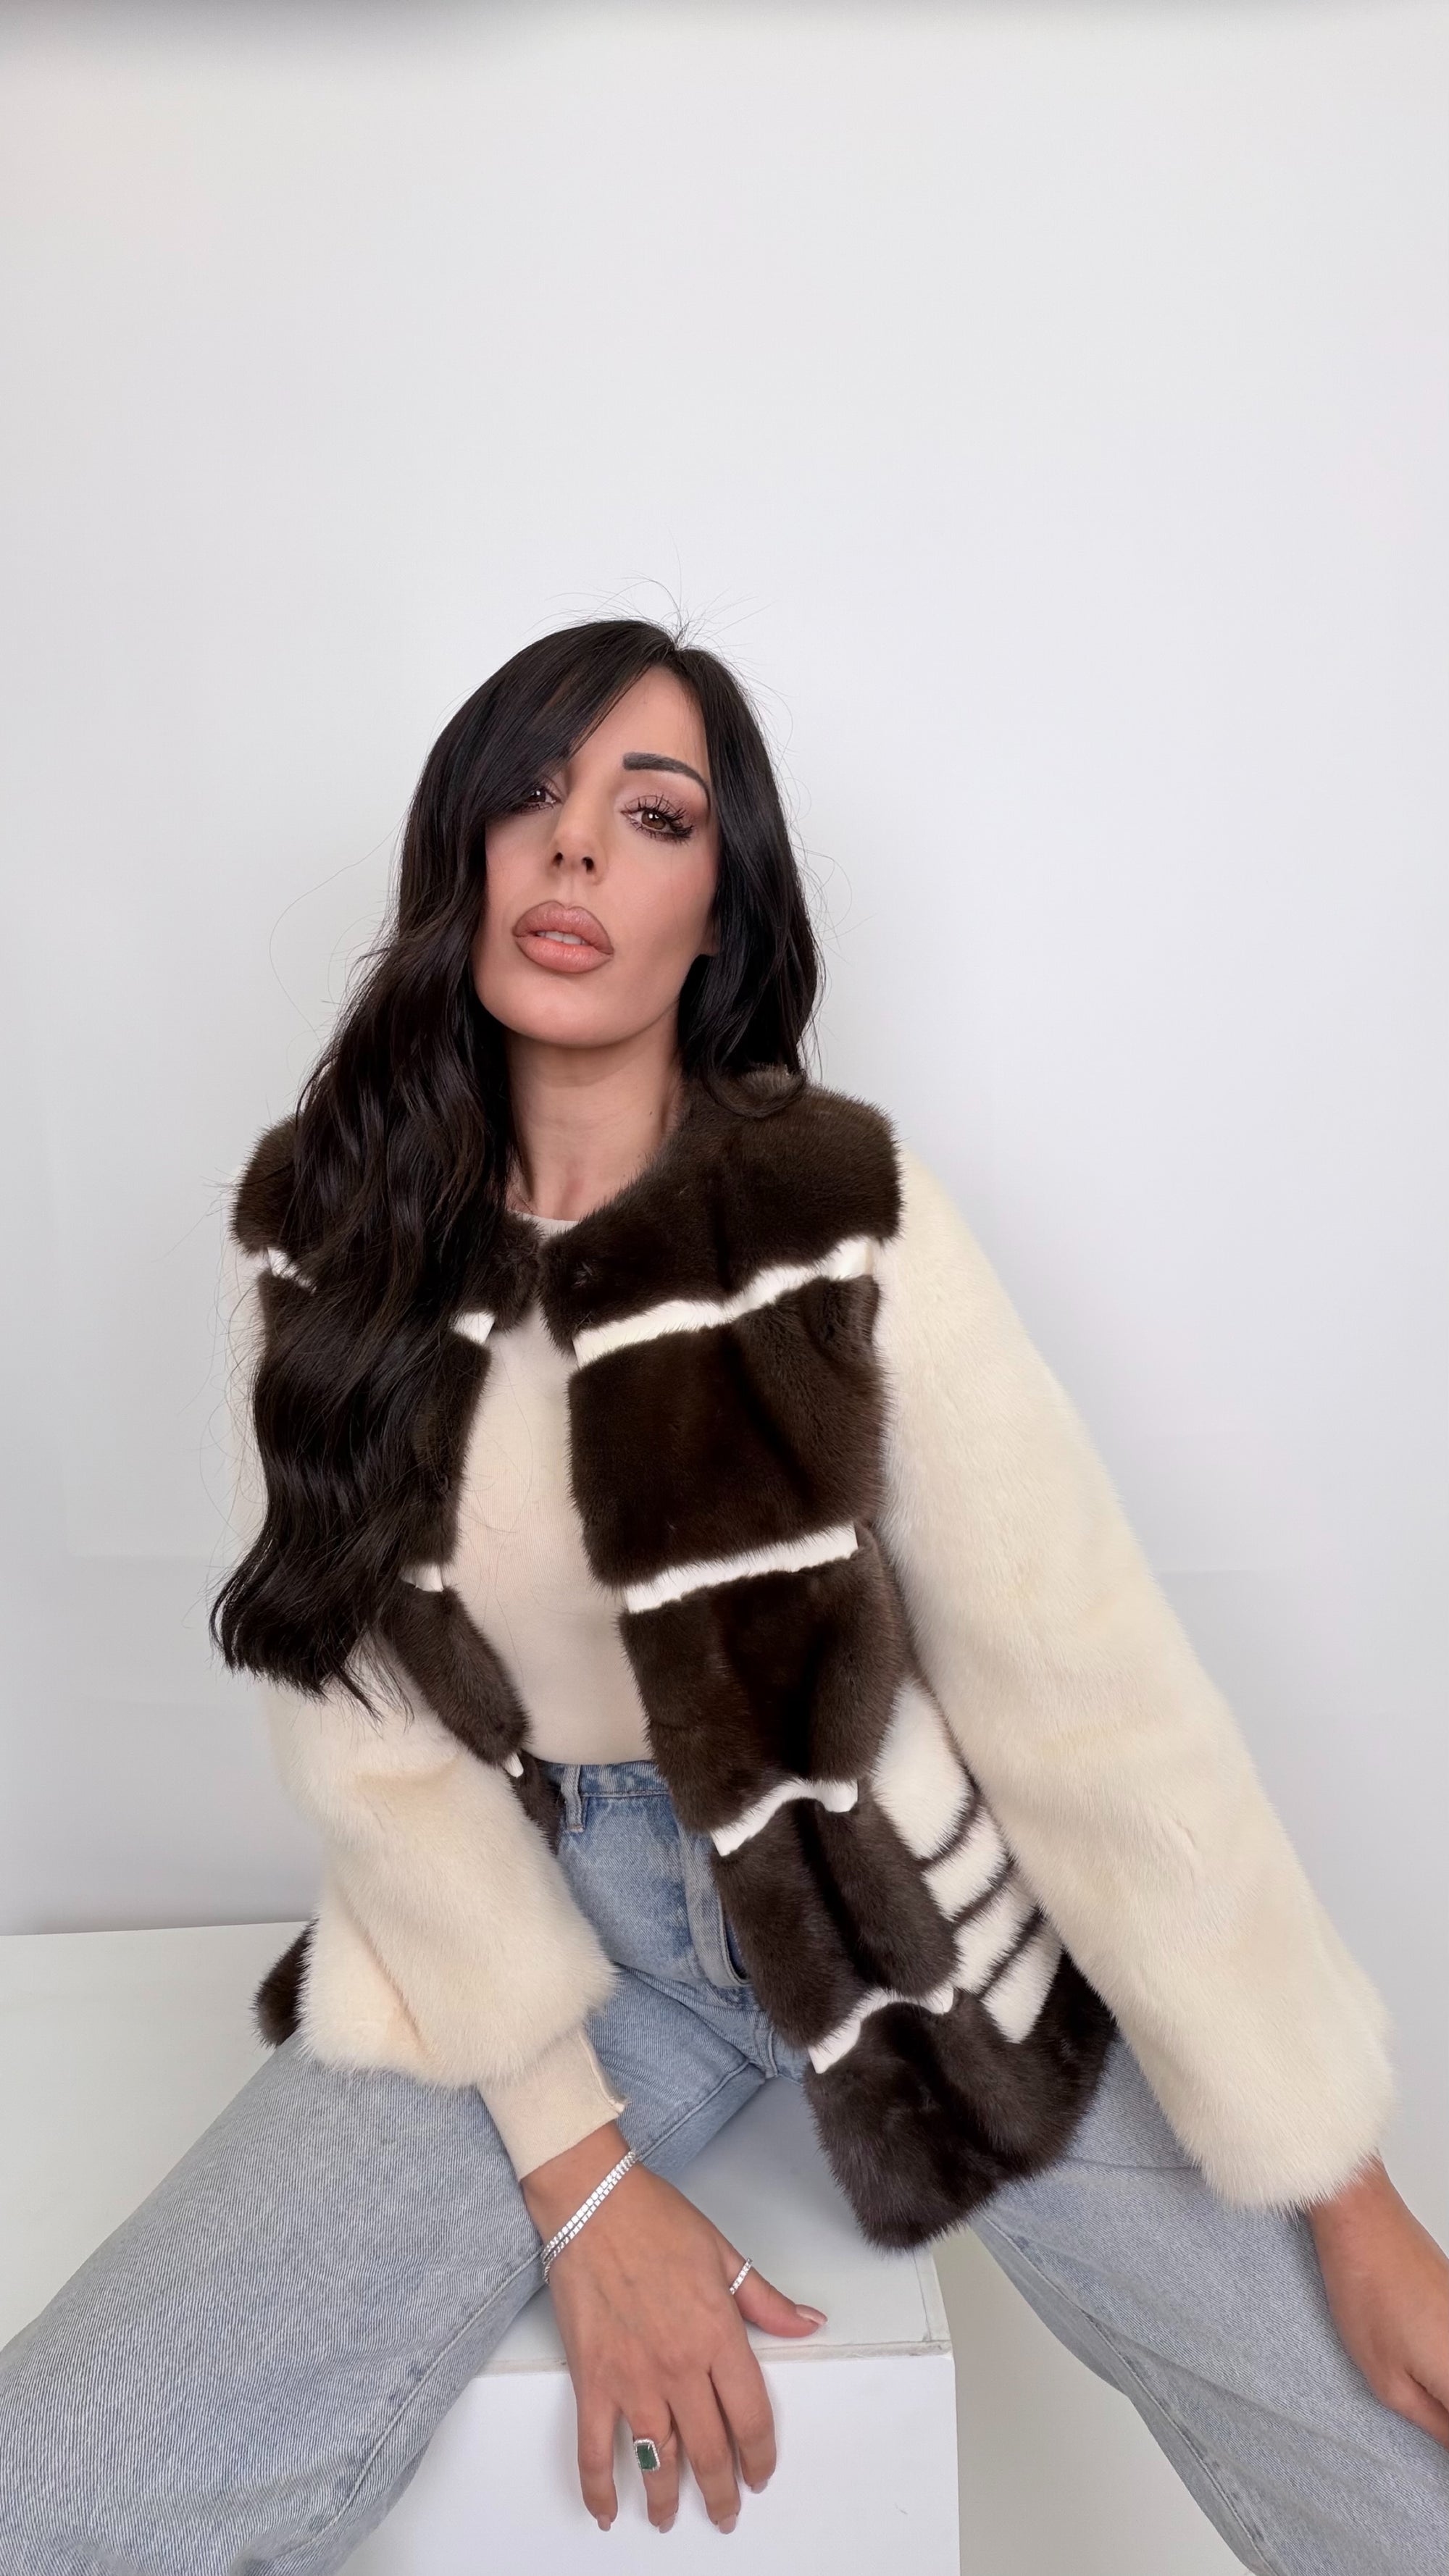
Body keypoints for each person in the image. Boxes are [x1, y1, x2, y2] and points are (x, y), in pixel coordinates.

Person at [1, 617, 1445, 2576]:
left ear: (717, 908)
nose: (576, 846)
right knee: (57, 2484)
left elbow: (1087, 1698)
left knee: (1401, 2473)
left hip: (910, 1889)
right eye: (532, 793)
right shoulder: (332, 1239)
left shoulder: (843, 1208)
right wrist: (585, 2188)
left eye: (653, 813)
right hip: (535, 1922)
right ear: (465, 852)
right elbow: (375, 1754)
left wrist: (1345, 2188)